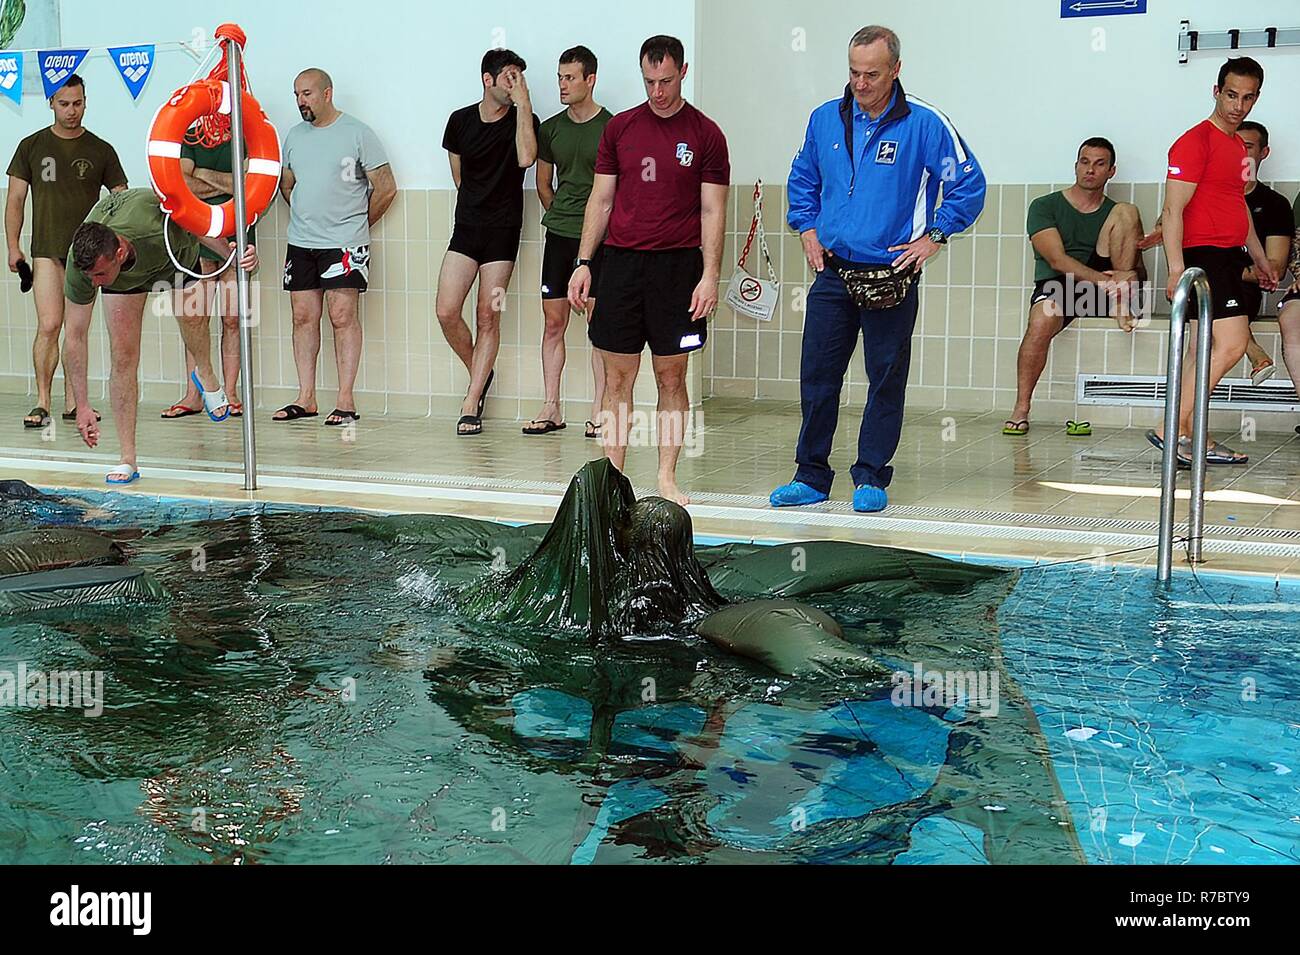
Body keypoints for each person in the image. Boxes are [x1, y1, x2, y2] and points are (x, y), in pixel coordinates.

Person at [771, 25, 985, 513]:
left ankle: (870, 475)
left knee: (885, 376)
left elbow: (969, 184)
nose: (861, 83)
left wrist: (935, 236)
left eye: (872, 74)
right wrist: (806, 228)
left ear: (896, 70)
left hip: (890, 274)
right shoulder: (825, 119)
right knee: (818, 374)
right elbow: (802, 177)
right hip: (832, 271)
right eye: (853, 72)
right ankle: (811, 475)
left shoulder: (925, 124)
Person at [567, 35, 730, 504]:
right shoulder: (620, 129)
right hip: (621, 264)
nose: (657, 91)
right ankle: (614, 480)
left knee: (671, 378)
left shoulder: (705, 134)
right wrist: (583, 263)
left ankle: (665, 477)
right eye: (649, 81)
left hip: (678, 269)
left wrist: (710, 275)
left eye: (665, 80)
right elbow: (600, 201)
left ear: (683, 71)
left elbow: (712, 212)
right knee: (617, 378)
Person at [61, 188, 258, 485]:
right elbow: (74, 337)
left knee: (192, 317)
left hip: (173, 255)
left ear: (120, 252)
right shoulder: (84, 266)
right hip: (125, 279)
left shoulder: (157, 227)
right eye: (91, 277)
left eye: (98, 276)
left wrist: (235, 255)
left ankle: (204, 371)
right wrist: (83, 404)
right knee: (123, 356)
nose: (94, 283)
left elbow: (197, 223)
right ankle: (128, 458)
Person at [1146, 57, 1277, 467]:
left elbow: (1236, 205)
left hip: (1228, 255)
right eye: (1232, 95)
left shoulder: (1238, 146)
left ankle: (1189, 434)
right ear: (1216, 91)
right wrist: (1174, 270)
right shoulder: (1194, 141)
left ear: (1256, 97)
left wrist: (1260, 259)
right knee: (1234, 343)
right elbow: (1172, 210)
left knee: (1201, 351)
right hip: (1202, 257)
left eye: (1248, 97)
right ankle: (1175, 429)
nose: (1239, 105)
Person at [5, 73, 126, 430]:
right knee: (49, 325)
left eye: (78, 103)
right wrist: (13, 247)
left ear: (85, 102)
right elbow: (15, 200)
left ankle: (77, 402)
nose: (72, 111)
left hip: (84, 257)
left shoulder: (100, 149)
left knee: (77, 330)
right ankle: (43, 400)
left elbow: (120, 197)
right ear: (51, 104)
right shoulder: (31, 145)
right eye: (64, 104)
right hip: (45, 250)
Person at [276, 68, 396, 426]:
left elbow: (386, 188)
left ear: (328, 93)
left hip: (345, 243)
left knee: (342, 317)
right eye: (297, 94)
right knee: (302, 317)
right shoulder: (294, 136)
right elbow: (287, 186)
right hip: (302, 241)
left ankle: (345, 400)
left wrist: (357, 226)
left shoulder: (357, 133)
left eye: (308, 94)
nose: (301, 101)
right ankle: (306, 397)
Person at [1003, 138, 1145, 437]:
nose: (1090, 170)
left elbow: (1136, 267)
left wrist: (1128, 276)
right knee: (1040, 321)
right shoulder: (1045, 206)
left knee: (1128, 211)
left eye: (1099, 164)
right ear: (1076, 165)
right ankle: (1021, 407)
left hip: (1103, 284)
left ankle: (1119, 301)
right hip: (1062, 285)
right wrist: (1111, 283)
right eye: (1084, 162)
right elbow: (1057, 260)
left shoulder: (1114, 213)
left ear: (1111, 171)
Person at [437, 49, 539, 436]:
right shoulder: (460, 121)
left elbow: (527, 158)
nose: (515, 84)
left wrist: (525, 104)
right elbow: (459, 175)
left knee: (487, 314)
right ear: (488, 79)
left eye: (520, 77)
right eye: (510, 77)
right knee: (447, 310)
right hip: (466, 229)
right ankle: (481, 370)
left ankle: (471, 398)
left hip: (502, 234)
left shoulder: (524, 120)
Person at [527, 45, 612, 438]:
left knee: (598, 324)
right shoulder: (550, 129)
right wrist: (560, 215)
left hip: (598, 242)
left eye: (570, 78)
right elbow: (544, 183)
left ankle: (599, 411)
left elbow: (615, 192)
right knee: (553, 322)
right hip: (558, 236)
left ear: (589, 80)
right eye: (559, 77)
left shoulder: (612, 128)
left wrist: (591, 229)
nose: (562, 85)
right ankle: (552, 406)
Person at [159, 131, 257, 420]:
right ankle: (194, 395)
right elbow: (183, 185)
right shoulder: (190, 136)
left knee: (232, 319)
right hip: (197, 236)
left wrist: (202, 175)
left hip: (234, 236)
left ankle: (230, 391)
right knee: (195, 320)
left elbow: (246, 185)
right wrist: (225, 181)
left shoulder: (244, 134)